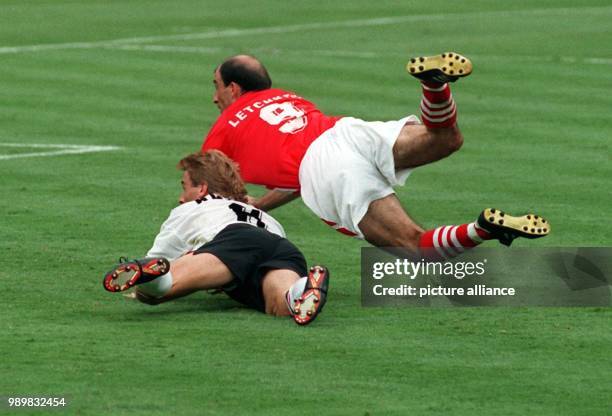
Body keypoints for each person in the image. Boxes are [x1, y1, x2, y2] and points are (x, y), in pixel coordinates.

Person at [201, 52, 550, 260]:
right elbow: (301, 170)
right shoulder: (287, 97)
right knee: (445, 138)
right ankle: (434, 84)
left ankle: (484, 229)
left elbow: (203, 199)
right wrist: (260, 204)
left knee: (416, 247)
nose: (214, 98)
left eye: (215, 86)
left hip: (326, 167)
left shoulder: (222, 128)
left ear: (233, 89)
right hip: (348, 133)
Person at [102, 150, 329, 326]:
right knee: (280, 304)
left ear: (202, 189)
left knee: (154, 291)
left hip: (234, 239)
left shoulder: (193, 208)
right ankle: (301, 289)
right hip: (282, 247)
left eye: (184, 187)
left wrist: (146, 279)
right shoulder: (256, 212)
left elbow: (159, 259)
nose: (181, 198)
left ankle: (151, 280)